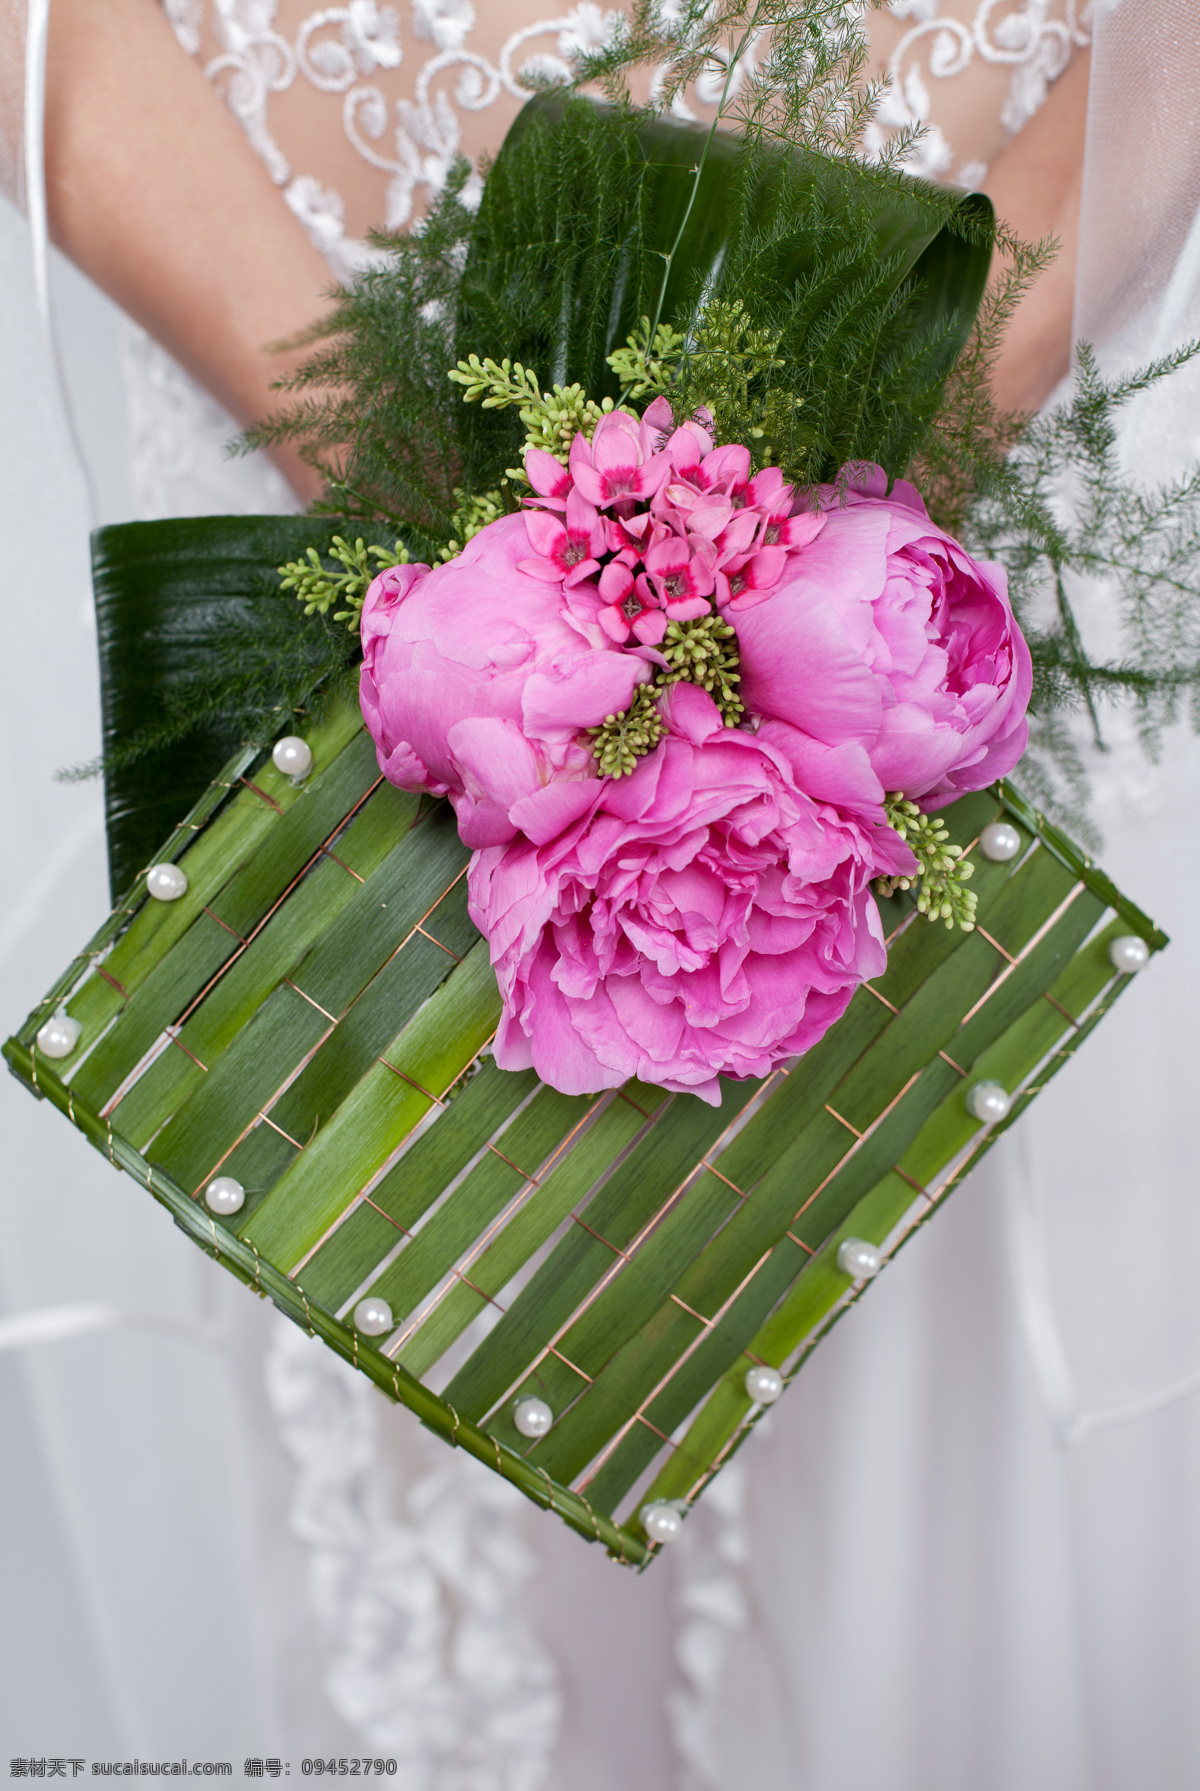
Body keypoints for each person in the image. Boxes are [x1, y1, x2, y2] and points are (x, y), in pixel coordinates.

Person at [2, 3, 1200, 1782]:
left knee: (882, 1480)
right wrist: (513, 581)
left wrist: (835, 542)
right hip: (292, 263)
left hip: (939, 301)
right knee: (412, 1399)